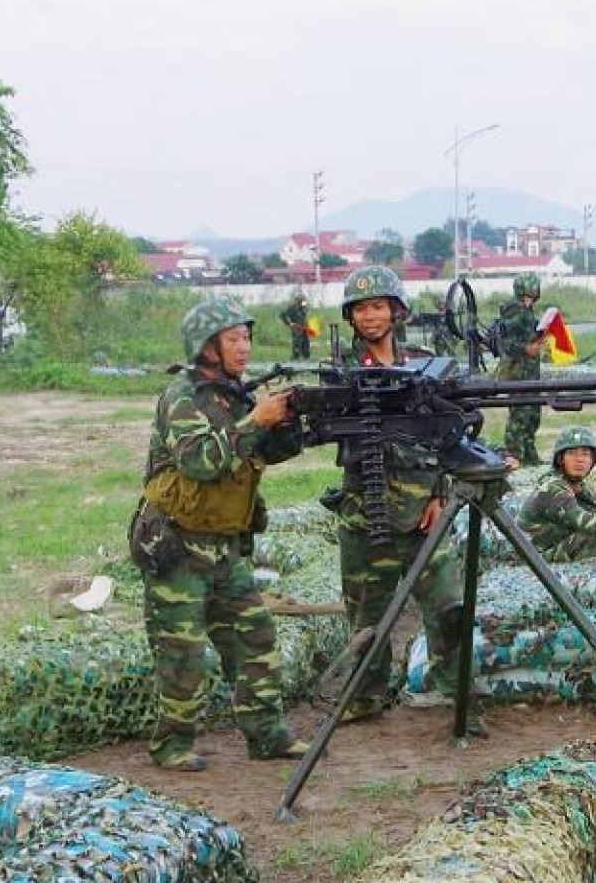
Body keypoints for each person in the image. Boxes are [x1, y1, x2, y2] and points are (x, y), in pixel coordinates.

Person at [129, 297, 310, 771]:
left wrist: (292, 426)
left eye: (247, 337)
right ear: (206, 346)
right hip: (178, 546)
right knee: (182, 652)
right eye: (233, 339)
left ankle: (267, 735)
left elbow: (261, 454)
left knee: (255, 636)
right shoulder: (182, 397)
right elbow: (201, 461)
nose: (244, 347)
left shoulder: (235, 396)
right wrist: (257, 421)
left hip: (225, 547)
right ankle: (172, 745)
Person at [328, 266, 468, 722]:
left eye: (378, 306)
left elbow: (450, 434)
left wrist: (439, 493)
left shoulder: (425, 364)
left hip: (424, 513)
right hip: (366, 514)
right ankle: (367, 697)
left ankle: (453, 689)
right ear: (350, 317)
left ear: (396, 311)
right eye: (361, 309)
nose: (370, 316)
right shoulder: (342, 373)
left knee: (448, 606)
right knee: (368, 616)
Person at [517, 427, 596, 562]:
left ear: (593, 460)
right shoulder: (552, 487)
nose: (579, 459)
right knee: (593, 538)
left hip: (553, 546)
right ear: (561, 459)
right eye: (572, 453)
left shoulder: (576, 487)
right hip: (534, 557)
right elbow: (582, 520)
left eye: (585, 454)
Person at [492, 273, 546, 465]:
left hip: (529, 371)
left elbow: (525, 335)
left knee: (532, 414)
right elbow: (506, 342)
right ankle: (515, 456)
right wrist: (526, 348)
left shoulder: (527, 311)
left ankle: (529, 454)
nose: (531, 297)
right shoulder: (515, 311)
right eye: (529, 293)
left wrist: (538, 337)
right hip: (518, 372)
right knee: (520, 415)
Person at [280, 292, 312, 360]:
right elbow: (282, 315)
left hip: (304, 328)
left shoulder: (304, 307)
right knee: (297, 345)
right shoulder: (292, 308)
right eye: (302, 301)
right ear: (298, 301)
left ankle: (306, 358)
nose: (304, 302)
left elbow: (306, 315)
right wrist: (289, 323)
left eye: (304, 301)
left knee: (306, 345)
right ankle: (295, 359)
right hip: (296, 329)